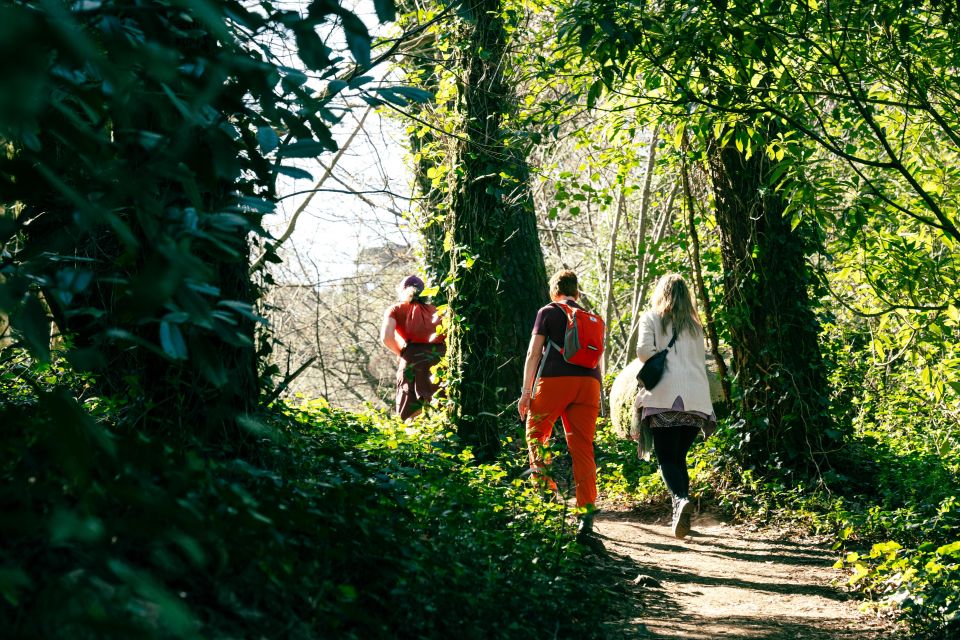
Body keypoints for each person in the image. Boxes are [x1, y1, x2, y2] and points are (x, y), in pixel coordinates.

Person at [518, 270, 602, 543]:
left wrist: (526, 392)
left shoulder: (548, 312)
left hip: (554, 382)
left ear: (554, 292)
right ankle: (586, 514)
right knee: (582, 447)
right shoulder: (591, 317)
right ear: (576, 293)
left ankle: (547, 496)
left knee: (536, 435)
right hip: (589, 384)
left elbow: (533, 353)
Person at [634, 273, 716, 539]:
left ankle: (680, 501)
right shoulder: (695, 325)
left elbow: (644, 352)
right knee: (678, 457)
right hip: (697, 401)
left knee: (666, 458)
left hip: (664, 398)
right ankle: (681, 514)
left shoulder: (652, 318)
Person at [380, 275, 445, 421]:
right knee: (442, 408)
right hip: (441, 360)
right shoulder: (439, 311)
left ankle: (412, 442)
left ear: (402, 291)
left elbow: (386, 338)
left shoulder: (395, 309)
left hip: (413, 359)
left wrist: (400, 353)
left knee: (410, 412)